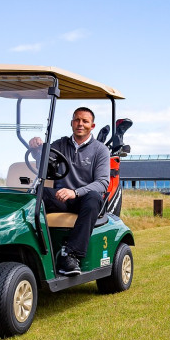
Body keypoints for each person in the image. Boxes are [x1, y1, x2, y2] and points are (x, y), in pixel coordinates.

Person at [29, 107, 110, 276]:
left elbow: (102, 183)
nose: (80, 124)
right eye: (77, 120)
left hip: (84, 199)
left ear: (92, 126)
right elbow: (42, 165)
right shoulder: (60, 144)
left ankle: (72, 256)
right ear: (71, 123)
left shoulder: (100, 150)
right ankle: (29, 245)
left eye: (85, 121)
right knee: (38, 192)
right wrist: (37, 149)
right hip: (61, 197)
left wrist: (76, 192)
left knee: (94, 198)